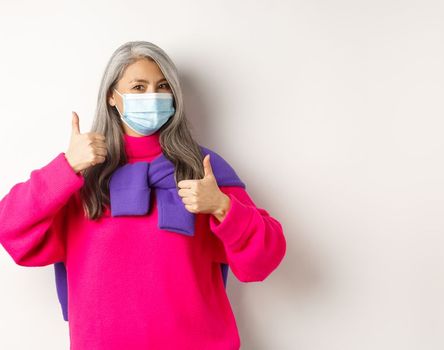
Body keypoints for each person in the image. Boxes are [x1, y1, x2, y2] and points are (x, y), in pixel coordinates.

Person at [0, 40, 286, 349]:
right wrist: (66, 168)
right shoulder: (83, 173)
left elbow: (265, 259)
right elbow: (10, 228)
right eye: (138, 87)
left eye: (162, 86)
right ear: (112, 95)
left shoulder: (203, 168)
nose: (152, 96)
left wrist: (222, 207)